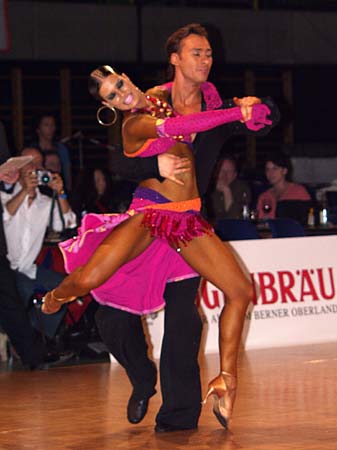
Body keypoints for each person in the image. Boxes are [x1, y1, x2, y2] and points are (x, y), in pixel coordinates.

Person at [42, 49, 278, 431]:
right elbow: (177, 128)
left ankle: (225, 381)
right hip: (150, 215)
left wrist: (242, 104)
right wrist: (238, 113)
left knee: (239, 291)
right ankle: (55, 298)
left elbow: (194, 94)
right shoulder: (133, 124)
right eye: (113, 96)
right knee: (89, 280)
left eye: (119, 84)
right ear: (109, 107)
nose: (122, 93)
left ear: (126, 77)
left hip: (187, 220)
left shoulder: (158, 96)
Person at [0, 147, 77, 340]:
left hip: (28, 269)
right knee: (22, 289)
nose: (33, 168)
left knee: (65, 288)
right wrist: (25, 191)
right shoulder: (4, 196)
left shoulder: (45, 202)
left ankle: (36, 335)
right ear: (16, 167)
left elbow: (68, 222)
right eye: (28, 162)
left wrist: (60, 193)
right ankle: (20, 336)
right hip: (6, 270)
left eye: (37, 163)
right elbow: (5, 215)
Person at [257, 152, 311, 221]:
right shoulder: (264, 196)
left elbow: (309, 218)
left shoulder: (298, 191)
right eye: (268, 169)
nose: (270, 173)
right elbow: (260, 222)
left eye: (275, 169)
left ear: (284, 171)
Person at [31, 113, 72, 191]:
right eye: (46, 125)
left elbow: (67, 173)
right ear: (38, 129)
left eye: (52, 125)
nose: (50, 128)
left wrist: (66, 190)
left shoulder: (61, 149)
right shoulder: (32, 150)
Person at [207, 156, 252, 222]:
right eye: (221, 170)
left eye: (229, 171)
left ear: (235, 175)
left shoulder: (242, 189)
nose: (224, 175)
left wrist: (226, 191)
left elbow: (235, 218)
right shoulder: (207, 188)